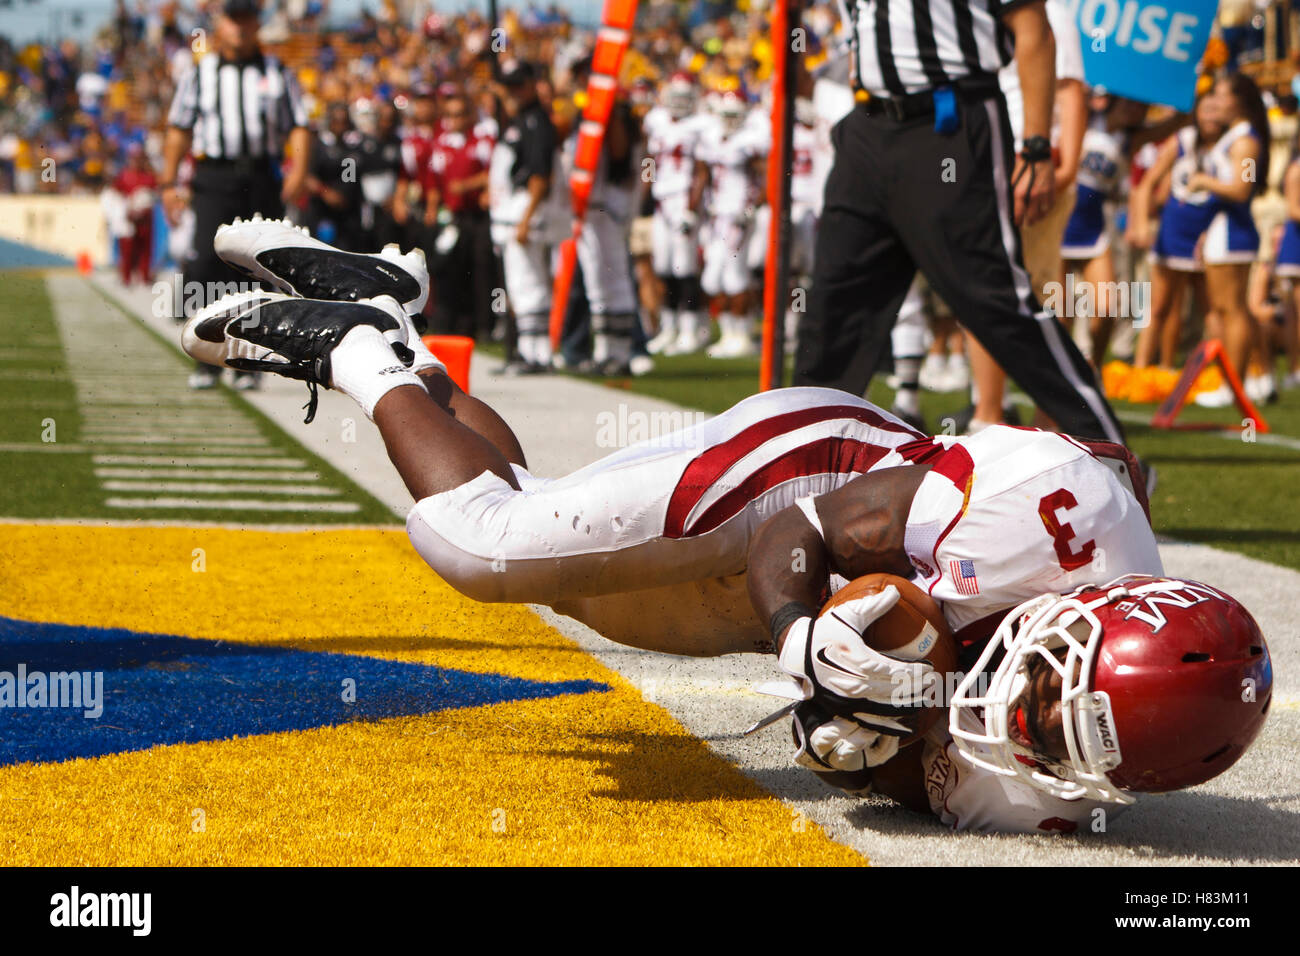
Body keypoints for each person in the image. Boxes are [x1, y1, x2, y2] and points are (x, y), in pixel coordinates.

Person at [180, 220, 1271, 832]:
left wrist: (865, 734)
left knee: (570, 579)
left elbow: (906, 771)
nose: (1021, 721)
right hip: (821, 469)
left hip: (862, 558)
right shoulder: (1035, 515)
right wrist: (807, 638)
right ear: (1084, 614)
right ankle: (361, 348)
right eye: (1045, 693)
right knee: (479, 547)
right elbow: (791, 535)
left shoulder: (1051, 783)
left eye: (1058, 737)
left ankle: (404, 333)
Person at [794, 0, 1126, 445]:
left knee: (994, 298)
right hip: (867, 127)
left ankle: (1110, 453)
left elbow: (1034, 31)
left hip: (948, 121)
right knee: (834, 305)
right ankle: (801, 458)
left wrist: (1036, 147)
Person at [160, 0, 309, 390]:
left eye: (247, 18)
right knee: (207, 264)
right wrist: (168, 183)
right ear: (219, 22)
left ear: (257, 23)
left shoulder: (278, 72)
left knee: (260, 267)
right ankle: (205, 358)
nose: (240, 27)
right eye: (233, 19)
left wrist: (300, 170)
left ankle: (249, 362)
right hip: (214, 176)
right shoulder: (200, 73)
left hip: (262, 175)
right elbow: (179, 128)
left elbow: (299, 125)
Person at [487, 61, 558, 373]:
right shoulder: (519, 119)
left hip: (523, 211)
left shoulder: (537, 122)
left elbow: (541, 174)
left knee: (528, 283)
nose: (512, 92)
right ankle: (529, 350)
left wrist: (527, 218)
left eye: (518, 85)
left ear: (531, 84)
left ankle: (536, 353)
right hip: (511, 212)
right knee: (521, 284)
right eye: (508, 86)